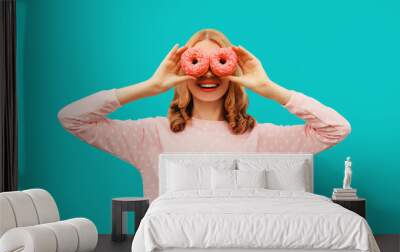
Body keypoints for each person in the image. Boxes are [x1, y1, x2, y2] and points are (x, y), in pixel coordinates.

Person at [58, 28, 351, 201]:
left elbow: (336, 129)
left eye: (218, 62)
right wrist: (148, 87)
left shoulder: (262, 138)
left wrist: (270, 88)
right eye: (198, 62)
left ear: (232, 69)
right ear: (183, 70)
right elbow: (72, 117)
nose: (208, 73)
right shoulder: (150, 135)